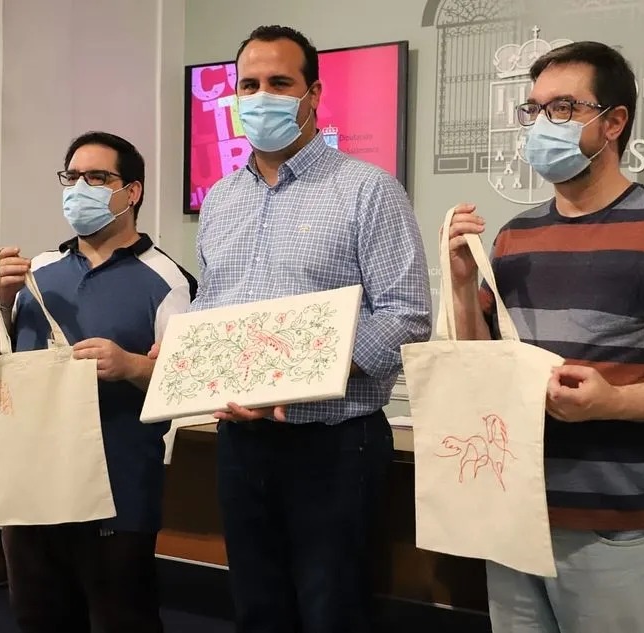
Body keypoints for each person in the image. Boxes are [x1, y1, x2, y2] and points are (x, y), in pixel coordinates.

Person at [446, 42, 644, 633]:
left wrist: (614, 401)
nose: (541, 125)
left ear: (613, 122)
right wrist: (461, 287)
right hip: (513, 509)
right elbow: (484, 368)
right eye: (533, 111)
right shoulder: (514, 236)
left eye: (562, 108)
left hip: (617, 526)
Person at [187, 23, 431, 633]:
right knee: (256, 609)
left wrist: (295, 373)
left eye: (279, 82)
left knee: (333, 613)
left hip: (333, 446)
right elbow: (212, 309)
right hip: (241, 442)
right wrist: (190, 357)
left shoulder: (368, 191)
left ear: (313, 94)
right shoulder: (220, 201)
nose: (261, 95)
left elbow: (406, 316)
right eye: (249, 84)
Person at [0, 131, 197, 633]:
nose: (79, 187)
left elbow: (189, 382)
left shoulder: (169, 280)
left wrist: (131, 366)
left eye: (97, 177)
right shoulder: (39, 270)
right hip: (33, 486)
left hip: (117, 490)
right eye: (72, 177)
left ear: (131, 191)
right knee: (38, 617)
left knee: (122, 620)